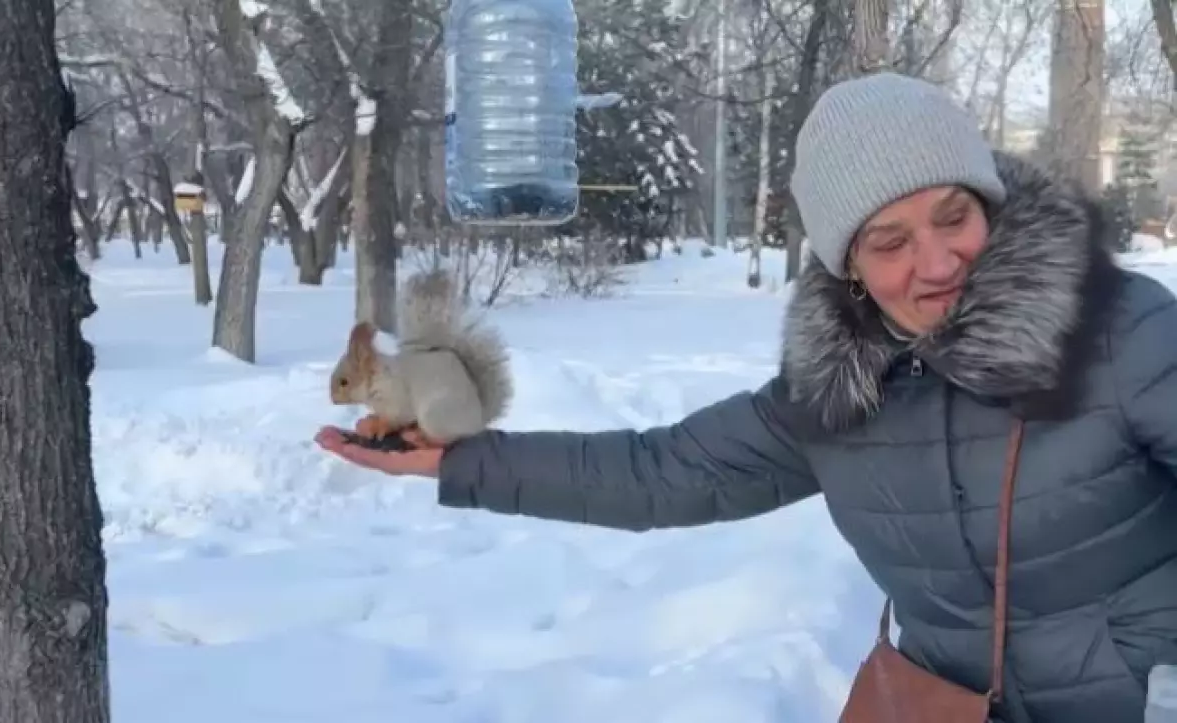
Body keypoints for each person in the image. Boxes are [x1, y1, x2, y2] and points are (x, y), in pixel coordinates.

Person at [316, 72, 1177, 723]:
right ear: (847, 266)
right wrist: (467, 458)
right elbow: (663, 473)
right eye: (890, 240)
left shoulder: (1123, 334)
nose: (938, 260)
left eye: (955, 215)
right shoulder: (838, 396)